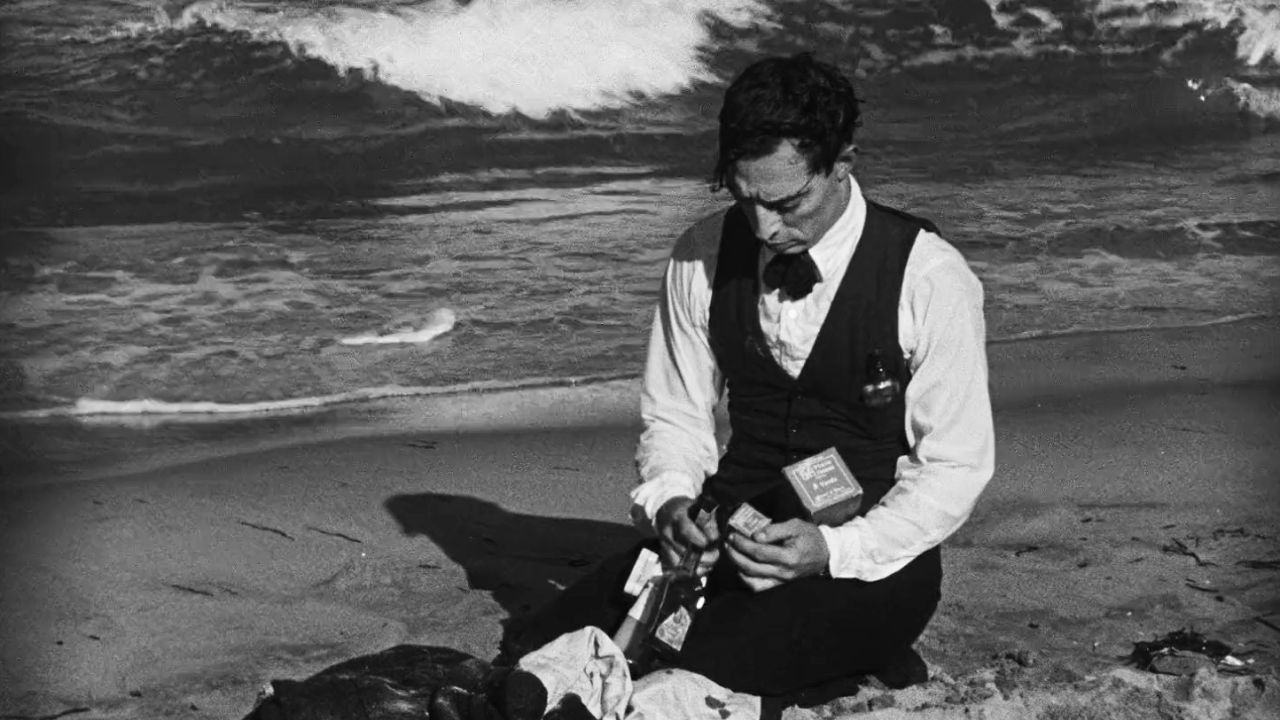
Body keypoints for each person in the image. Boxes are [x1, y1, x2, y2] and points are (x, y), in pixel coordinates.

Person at [502, 51, 994, 714]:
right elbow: (676, 416)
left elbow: (954, 467)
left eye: (786, 203)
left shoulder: (930, 277)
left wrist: (833, 548)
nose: (763, 227)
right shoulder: (700, 255)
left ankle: (825, 667)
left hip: (869, 555)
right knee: (541, 638)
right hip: (727, 535)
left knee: (704, 654)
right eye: (743, 198)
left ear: (842, 163)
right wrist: (673, 503)